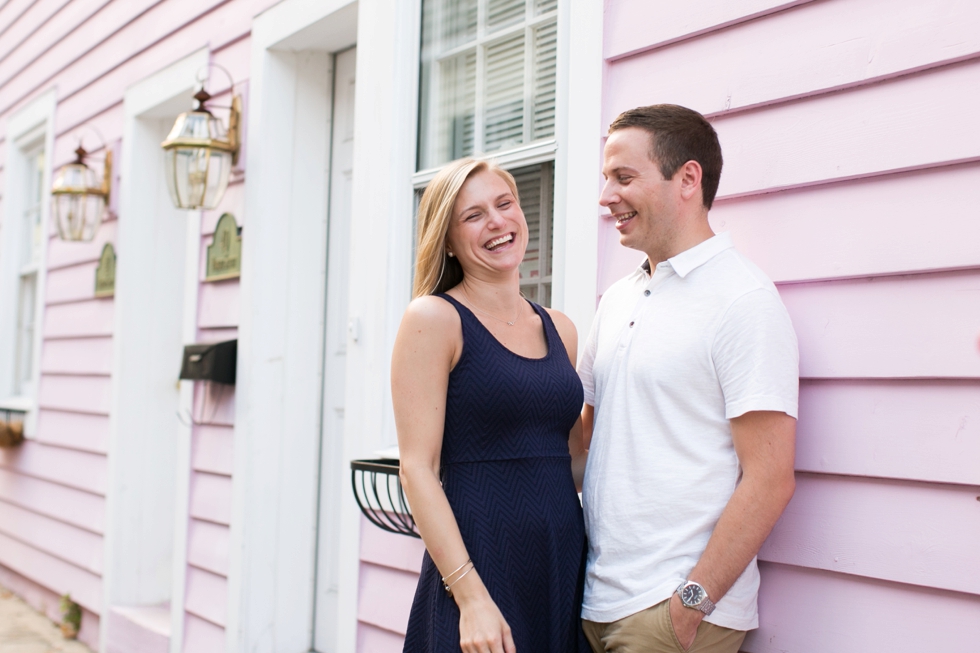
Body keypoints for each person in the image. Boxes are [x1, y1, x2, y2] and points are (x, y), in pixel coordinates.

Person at [578, 104, 799, 653]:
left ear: (688, 179)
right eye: (606, 178)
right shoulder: (619, 297)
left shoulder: (743, 300)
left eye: (623, 178)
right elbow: (584, 443)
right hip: (592, 601)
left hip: (670, 615)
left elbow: (770, 476)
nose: (606, 196)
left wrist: (689, 606)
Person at [394, 157, 590, 653]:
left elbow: (576, 462)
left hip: (561, 563)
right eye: (474, 215)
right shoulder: (434, 319)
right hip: (481, 562)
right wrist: (471, 596)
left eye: (505, 204)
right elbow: (417, 469)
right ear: (450, 239)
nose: (498, 222)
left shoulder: (560, 327)